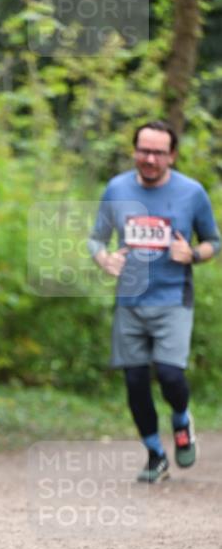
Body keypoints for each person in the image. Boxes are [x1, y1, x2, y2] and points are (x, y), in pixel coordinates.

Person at [88, 120, 220, 482]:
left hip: (174, 297)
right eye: (144, 150)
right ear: (135, 151)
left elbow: (214, 241)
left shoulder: (192, 193)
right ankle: (155, 454)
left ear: (172, 156)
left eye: (158, 153)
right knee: (134, 380)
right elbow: (96, 239)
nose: (150, 158)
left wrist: (192, 253)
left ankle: (181, 419)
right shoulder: (117, 188)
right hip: (130, 300)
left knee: (170, 374)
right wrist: (105, 259)